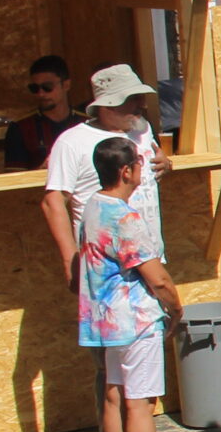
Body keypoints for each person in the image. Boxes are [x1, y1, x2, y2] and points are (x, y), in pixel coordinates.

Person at [78, 136, 198, 432]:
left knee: (114, 395)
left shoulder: (93, 205)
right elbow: (156, 277)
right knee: (140, 403)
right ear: (127, 171)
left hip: (107, 321)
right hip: (135, 319)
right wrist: (176, 309)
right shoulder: (125, 218)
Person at [42, 63, 170, 288]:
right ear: (108, 105)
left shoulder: (141, 129)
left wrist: (166, 163)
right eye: (132, 99)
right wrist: (71, 260)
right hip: (107, 268)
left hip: (149, 258)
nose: (140, 104)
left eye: (140, 97)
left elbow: (153, 167)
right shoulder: (72, 142)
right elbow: (53, 202)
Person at [0, 54, 83, 172]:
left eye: (47, 87)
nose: (41, 94)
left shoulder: (86, 122)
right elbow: (13, 178)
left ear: (66, 85)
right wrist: (42, 170)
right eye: (34, 88)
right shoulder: (20, 127)